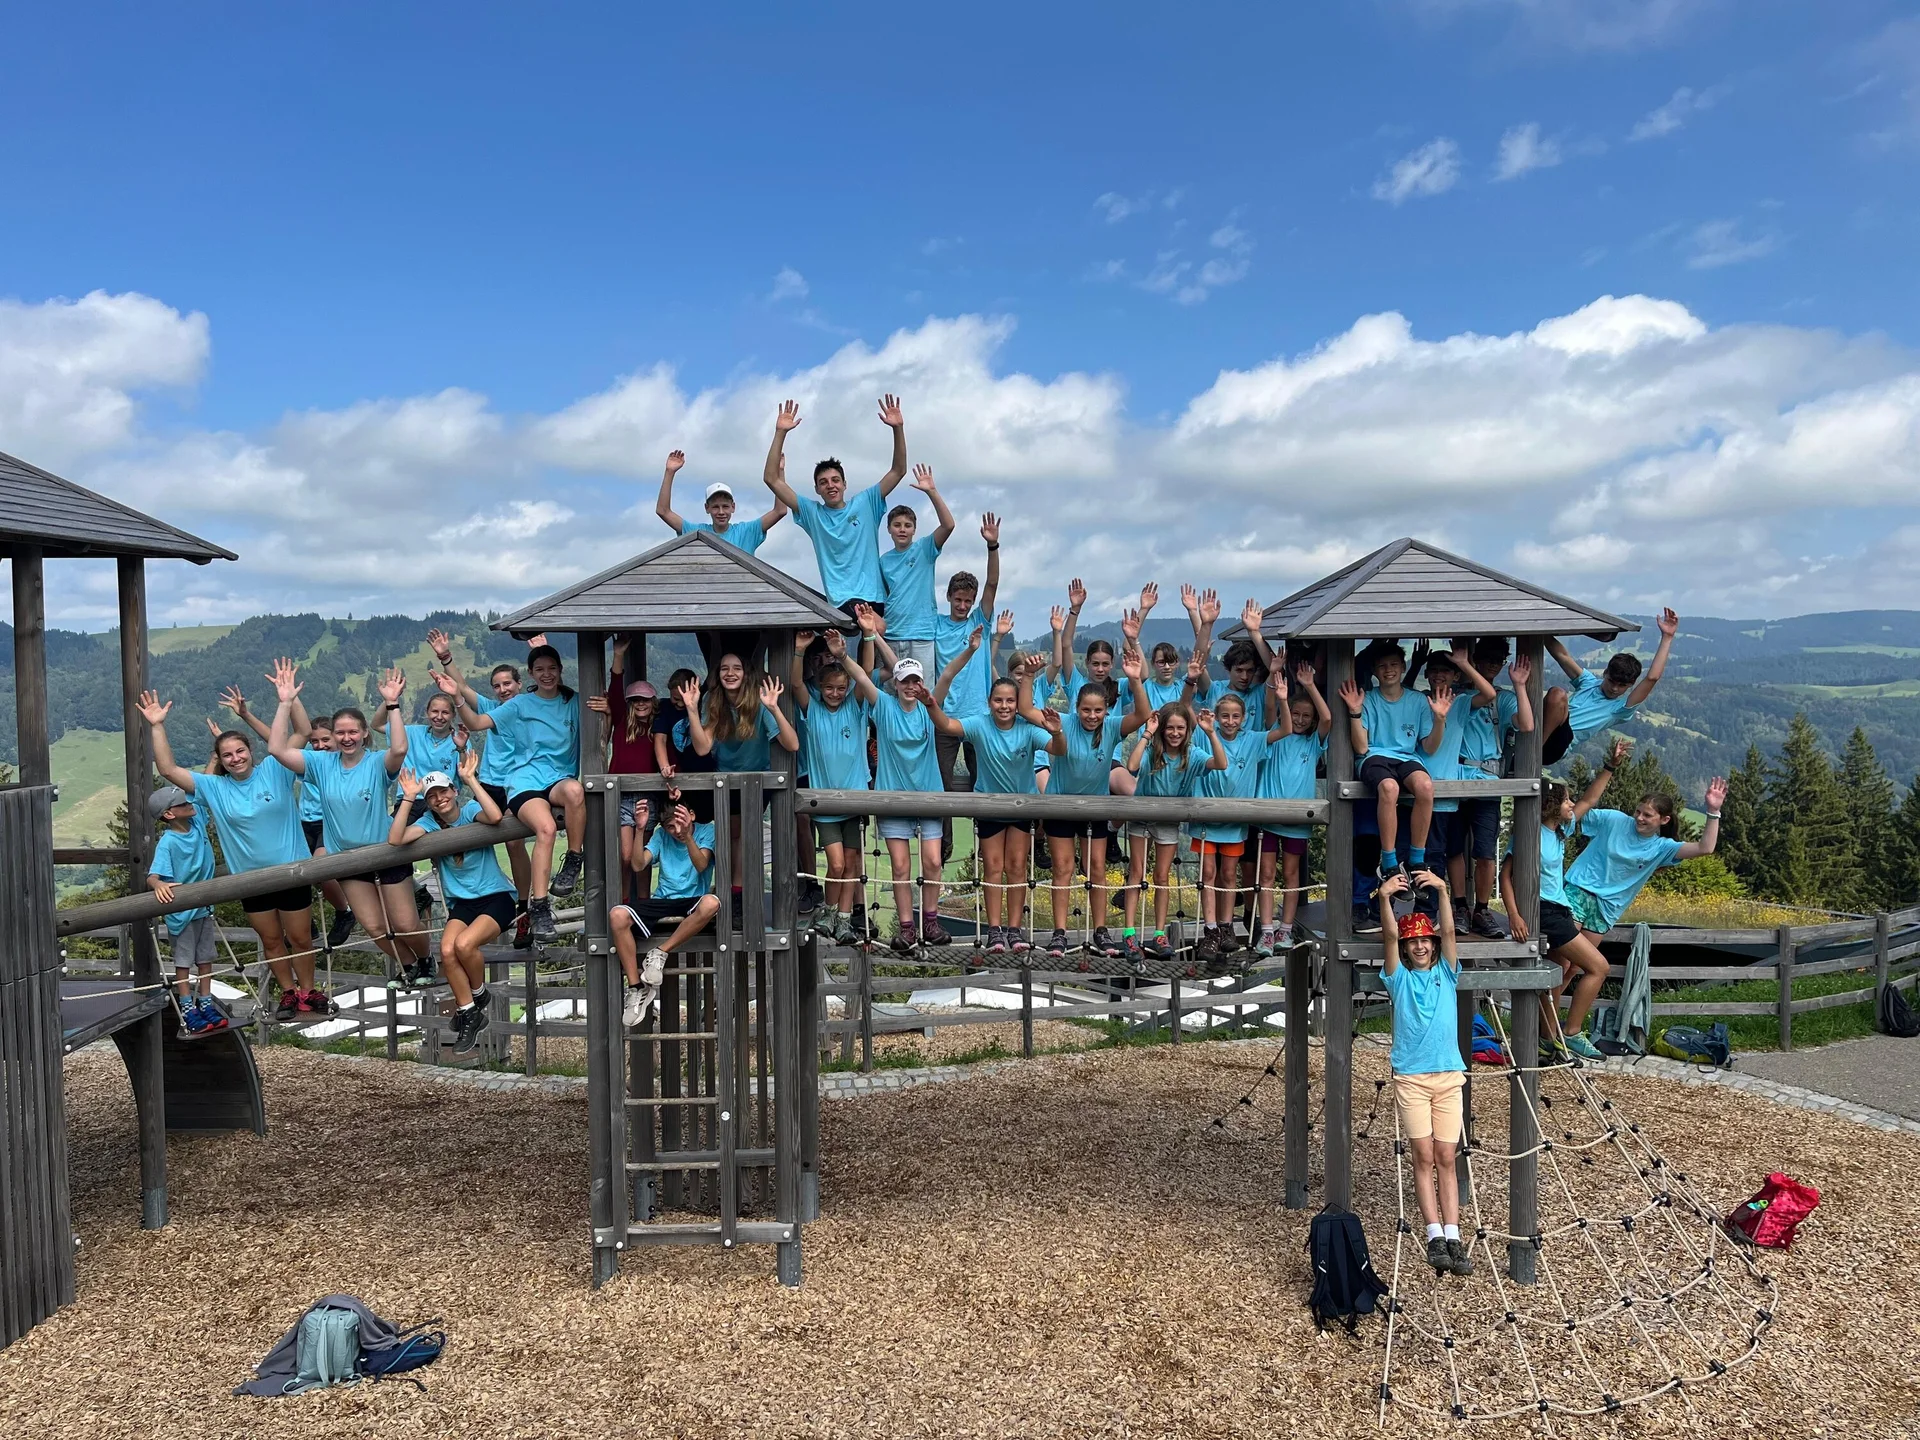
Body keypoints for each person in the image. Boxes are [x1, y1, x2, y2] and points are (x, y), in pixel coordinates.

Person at [139, 681, 331, 1022]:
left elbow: (303, 732)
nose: (235, 759)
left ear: (250, 750)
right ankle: (288, 992)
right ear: (221, 760)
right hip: (250, 880)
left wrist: (288, 700)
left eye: (240, 751)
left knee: (301, 937)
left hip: (292, 871)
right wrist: (156, 726)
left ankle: (308, 991)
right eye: (227, 755)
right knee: (271, 940)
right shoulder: (214, 787)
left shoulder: (275, 768)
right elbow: (168, 770)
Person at [268, 661, 433, 983]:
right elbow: (276, 749)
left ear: (364, 734)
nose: (347, 738)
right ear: (333, 735)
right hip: (347, 858)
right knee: (374, 926)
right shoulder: (320, 763)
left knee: (405, 924)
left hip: (386, 852)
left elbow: (400, 748)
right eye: (340, 733)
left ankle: (427, 961)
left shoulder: (376, 763)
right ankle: (408, 965)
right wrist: (285, 702)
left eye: (353, 732)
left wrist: (392, 704)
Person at [836, 621, 972, 951]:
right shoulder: (883, 706)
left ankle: (931, 922)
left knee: (933, 862)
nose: (911, 686)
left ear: (921, 683)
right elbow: (862, 678)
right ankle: (907, 928)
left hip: (928, 796)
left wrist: (971, 649)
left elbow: (948, 674)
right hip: (893, 797)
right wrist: (843, 656)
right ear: (895, 684)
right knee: (899, 866)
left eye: (916, 680)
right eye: (905, 681)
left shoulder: (928, 706)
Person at [436, 644, 583, 942]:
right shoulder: (515, 706)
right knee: (539, 831)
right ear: (531, 674)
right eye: (539, 669)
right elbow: (475, 719)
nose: (546, 674)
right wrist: (455, 693)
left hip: (557, 780)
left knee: (575, 791)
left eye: (551, 668)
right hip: (515, 782)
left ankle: (573, 860)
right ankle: (534, 907)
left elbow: (607, 718)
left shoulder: (573, 702)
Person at [1019, 646, 1151, 961]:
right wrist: (1028, 677)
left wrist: (1135, 680)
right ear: (1076, 709)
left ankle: (1101, 930)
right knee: (1063, 869)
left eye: (1098, 711)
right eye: (1086, 710)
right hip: (1060, 806)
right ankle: (1060, 933)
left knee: (1097, 870)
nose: (1092, 716)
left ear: (1106, 710)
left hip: (1095, 809)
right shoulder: (1062, 721)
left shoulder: (1113, 727)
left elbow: (1142, 715)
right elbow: (1025, 709)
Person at [1378, 869, 1473, 1277]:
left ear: (1432, 945)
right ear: (1406, 947)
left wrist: (1444, 891)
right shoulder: (1398, 979)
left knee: (1447, 1156)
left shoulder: (1446, 974)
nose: (1419, 945)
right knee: (1422, 1155)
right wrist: (1385, 898)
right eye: (1412, 941)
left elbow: (1450, 933)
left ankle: (1454, 1234)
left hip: (1448, 1076)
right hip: (1412, 1078)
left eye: (1424, 940)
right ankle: (1434, 1233)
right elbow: (1388, 937)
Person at [931, 657, 1054, 956]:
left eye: (1010, 701)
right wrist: (930, 703)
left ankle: (1015, 929)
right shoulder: (979, 724)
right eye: (998, 700)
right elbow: (947, 725)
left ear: (1017, 703)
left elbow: (1058, 749)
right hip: (989, 805)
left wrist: (1058, 731)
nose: (1004, 706)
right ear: (989, 703)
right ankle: (995, 930)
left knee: (1017, 867)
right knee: (993, 868)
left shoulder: (1028, 728)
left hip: (1021, 806)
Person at [388, 753, 510, 1054]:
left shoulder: (469, 811)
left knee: (464, 945)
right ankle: (469, 1011)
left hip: (496, 897)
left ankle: (478, 995)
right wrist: (409, 797)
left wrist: (470, 779)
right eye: (432, 796)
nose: (439, 799)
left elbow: (495, 817)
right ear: (427, 802)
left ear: (454, 791)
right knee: (446, 951)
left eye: (443, 791)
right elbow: (396, 839)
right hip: (463, 904)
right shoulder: (429, 822)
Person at [1502, 756, 1619, 1063]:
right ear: (1551, 805)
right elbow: (1505, 876)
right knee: (1599, 968)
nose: (1572, 804)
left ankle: (1546, 1041)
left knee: (1556, 975)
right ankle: (1572, 1032)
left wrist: (1610, 767)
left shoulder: (1560, 830)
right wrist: (1514, 915)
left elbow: (1589, 800)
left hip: (1560, 908)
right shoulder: (1530, 833)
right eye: (1566, 800)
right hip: (1547, 912)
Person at [428, 631, 535, 946]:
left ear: (519, 684)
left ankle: (524, 907)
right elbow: (462, 689)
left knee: (513, 842)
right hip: (488, 782)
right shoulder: (492, 707)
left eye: (508, 684)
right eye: (497, 685)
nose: (503, 689)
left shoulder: (531, 709)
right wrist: (445, 657)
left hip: (518, 783)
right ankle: (477, 904)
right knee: (473, 838)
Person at [1561, 747, 1727, 943]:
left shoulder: (1662, 848)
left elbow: (1705, 848)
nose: (1639, 818)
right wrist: (1609, 767)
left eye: (1647, 815)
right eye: (1638, 812)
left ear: (1664, 820)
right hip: (1579, 890)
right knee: (1564, 952)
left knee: (1578, 961)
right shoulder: (1613, 820)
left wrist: (1713, 811)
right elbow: (1584, 805)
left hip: (1606, 907)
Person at [762, 395, 908, 615]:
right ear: (817, 489)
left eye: (835, 480)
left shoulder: (866, 503)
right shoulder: (813, 513)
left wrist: (898, 429)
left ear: (844, 484)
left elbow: (898, 471)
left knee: (874, 631)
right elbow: (771, 479)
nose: (830, 485)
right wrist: (780, 432)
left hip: (875, 598)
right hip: (842, 603)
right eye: (823, 482)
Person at [1122, 701, 1227, 964]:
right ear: (1162, 729)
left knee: (1162, 876)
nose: (1175, 733)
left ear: (1187, 730)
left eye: (1181, 728)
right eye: (1170, 728)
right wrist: (1147, 733)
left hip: (1168, 820)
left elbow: (1221, 763)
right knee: (1136, 873)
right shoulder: (1152, 751)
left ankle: (1159, 933)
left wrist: (1210, 732)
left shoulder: (1192, 754)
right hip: (1141, 816)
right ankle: (1129, 932)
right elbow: (1132, 765)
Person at [1338, 645, 1449, 882]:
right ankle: (1389, 862)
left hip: (1407, 757)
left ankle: (1416, 859)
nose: (1388, 670)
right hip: (1374, 757)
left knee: (1426, 786)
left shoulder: (1418, 700)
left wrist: (1440, 719)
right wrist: (1355, 712)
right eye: (1382, 666)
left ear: (1403, 667)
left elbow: (1429, 747)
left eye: (1394, 664)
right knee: (1389, 787)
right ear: (1374, 671)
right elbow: (1361, 748)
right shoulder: (1368, 699)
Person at [612, 792, 722, 1027]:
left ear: (691, 815)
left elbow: (702, 865)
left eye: (680, 823)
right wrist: (640, 829)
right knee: (617, 915)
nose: (676, 830)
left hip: (693, 899)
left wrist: (687, 836)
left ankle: (660, 952)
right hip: (663, 898)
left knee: (712, 903)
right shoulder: (662, 835)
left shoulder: (707, 831)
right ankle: (636, 987)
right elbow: (637, 864)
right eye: (670, 826)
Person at [791, 628, 872, 946]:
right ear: (820, 688)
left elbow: (864, 675)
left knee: (851, 863)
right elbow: (796, 684)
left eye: (840, 688)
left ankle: (842, 918)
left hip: (854, 798)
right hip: (824, 802)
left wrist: (858, 645)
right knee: (836, 863)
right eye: (829, 688)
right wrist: (800, 650)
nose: (835, 693)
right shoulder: (813, 710)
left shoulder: (855, 707)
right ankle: (828, 910)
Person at [931, 514, 1002, 857]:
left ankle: (983, 845)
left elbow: (992, 584)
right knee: (942, 783)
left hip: (978, 716)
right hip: (944, 716)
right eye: (958, 600)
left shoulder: (979, 622)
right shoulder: (935, 624)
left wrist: (993, 545)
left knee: (982, 781)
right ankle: (944, 843)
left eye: (967, 601)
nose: (962, 606)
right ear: (948, 597)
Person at [1450, 639, 1531, 937]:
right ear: (1476, 659)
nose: (1493, 664)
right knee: (1453, 848)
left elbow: (1527, 725)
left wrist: (1520, 686)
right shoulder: (1456, 695)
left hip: (1487, 781)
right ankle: (1461, 906)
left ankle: (1481, 909)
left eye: (1499, 660)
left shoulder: (1504, 699)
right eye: (1487, 659)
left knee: (1485, 852)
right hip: (1455, 778)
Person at [1253, 662, 1332, 956]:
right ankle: (1267, 931)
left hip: (1298, 819)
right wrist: (1281, 695)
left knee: (1291, 873)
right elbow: (1270, 708)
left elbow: (1327, 717)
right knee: (1266, 874)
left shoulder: (1313, 744)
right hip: (1269, 816)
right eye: (1295, 714)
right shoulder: (1275, 735)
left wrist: (1310, 685)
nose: (1299, 720)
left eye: (1305, 716)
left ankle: (1285, 929)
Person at [1540, 608, 1678, 765]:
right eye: (1612, 681)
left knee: (1558, 694)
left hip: (1555, 748)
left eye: (1622, 685)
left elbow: (1652, 678)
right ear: (1605, 673)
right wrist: (1539, 628)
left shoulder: (1620, 709)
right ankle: (1530, 739)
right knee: (1541, 695)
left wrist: (1667, 637)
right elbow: (1562, 656)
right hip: (1545, 728)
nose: (1615, 688)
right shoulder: (1588, 682)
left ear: (1631, 685)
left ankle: (1533, 748)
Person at [145, 784, 228, 1035]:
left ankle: (206, 1002)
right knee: (183, 961)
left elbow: (201, 787)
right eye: (182, 803)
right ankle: (187, 1007)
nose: (189, 804)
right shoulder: (168, 842)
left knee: (205, 957)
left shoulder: (197, 822)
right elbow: (153, 875)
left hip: (203, 906)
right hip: (181, 911)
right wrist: (158, 885)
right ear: (169, 814)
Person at [1191, 692, 1266, 965]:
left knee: (1229, 874)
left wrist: (1280, 697)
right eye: (1225, 716)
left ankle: (1226, 926)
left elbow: (1284, 731)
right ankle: (1210, 928)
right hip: (1205, 818)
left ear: (1244, 718)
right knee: (1207, 873)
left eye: (1236, 716)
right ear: (1216, 716)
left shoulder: (1252, 740)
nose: (1230, 721)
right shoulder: (1203, 735)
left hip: (1234, 821)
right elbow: (1184, 713)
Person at [583, 635, 660, 888]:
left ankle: (644, 903)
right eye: (635, 700)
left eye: (645, 699)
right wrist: (618, 655)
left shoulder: (659, 728)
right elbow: (616, 687)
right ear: (629, 704)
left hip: (648, 795)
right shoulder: (622, 721)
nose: (640, 704)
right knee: (624, 857)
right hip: (621, 794)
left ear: (653, 702)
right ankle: (625, 903)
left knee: (641, 858)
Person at [877, 463, 956, 676]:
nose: (902, 529)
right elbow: (883, 597)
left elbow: (948, 525)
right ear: (889, 529)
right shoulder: (883, 561)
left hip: (921, 634)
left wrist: (932, 492)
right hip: (892, 633)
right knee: (892, 689)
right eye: (897, 525)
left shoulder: (925, 549)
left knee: (922, 689)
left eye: (907, 525)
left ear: (914, 529)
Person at [297, 715, 359, 951]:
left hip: (330, 820)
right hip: (305, 820)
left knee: (320, 867)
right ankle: (305, 921)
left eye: (325, 739)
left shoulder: (344, 762)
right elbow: (280, 748)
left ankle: (345, 911)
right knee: (290, 870)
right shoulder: (310, 760)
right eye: (314, 741)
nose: (320, 745)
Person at [655, 447, 788, 552]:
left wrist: (780, 471)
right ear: (707, 508)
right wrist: (669, 472)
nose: (721, 512)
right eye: (715, 507)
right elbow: (663, 511)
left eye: (725, 506)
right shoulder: (697, 533)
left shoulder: (746, 532)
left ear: (733, 507)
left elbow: (780, 511)